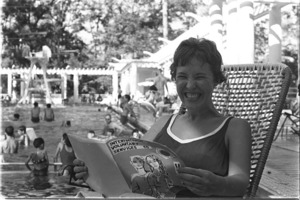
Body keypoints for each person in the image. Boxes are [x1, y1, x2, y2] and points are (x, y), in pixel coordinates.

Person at [73, 38, 252, 197]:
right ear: (175, 79)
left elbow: (241, 183)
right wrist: (91, 170)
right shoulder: (164, 122)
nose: (190, 85)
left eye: (199, 77)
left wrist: (217, 185)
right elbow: (128, 168)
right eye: (182, 76)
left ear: (216, 80)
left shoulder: (234, 127)